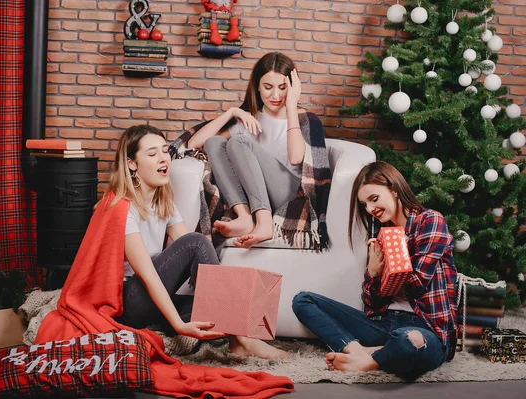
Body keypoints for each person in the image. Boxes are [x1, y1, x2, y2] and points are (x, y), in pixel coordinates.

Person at [104, 124, 288, 359]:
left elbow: (195, 257)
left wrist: (229, 293)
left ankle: (239, 335)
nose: (163, 159)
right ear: (132, 163)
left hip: (153, 298)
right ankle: (242, 339)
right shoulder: (124, 208)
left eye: (164, 151)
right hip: (130, 301)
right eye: (152, 154)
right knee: (197, 242)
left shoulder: (162, 203)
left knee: (226, 305)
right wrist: (179, 326)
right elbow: (151, 273)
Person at [292, 161, 457, 377]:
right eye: (364, 205)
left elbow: (418, 284)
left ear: (395, 189)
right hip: (384, 323)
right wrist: (372, 272)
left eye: (374, 199)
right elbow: (372, 306)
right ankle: (359, 352)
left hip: (425, 327)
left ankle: (370, 362)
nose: (370, 209)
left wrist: (397, 254)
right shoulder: (382, 236)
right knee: (303, 301)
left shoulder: (430, 221)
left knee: (408, 341)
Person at [187, 52, 306, 248]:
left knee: (238, 142)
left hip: (289, 195)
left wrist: (291, 106)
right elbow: (195, 143)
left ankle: (265, 223)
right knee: (215, 142)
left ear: (292, 88)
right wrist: (232, 112)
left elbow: (296, 157)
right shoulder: (249, 120)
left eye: (282, 88)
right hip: (257, 197)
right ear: (257, 87)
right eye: (268, 87)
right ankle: (244, 217)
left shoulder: (301, 118)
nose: (275, 96)